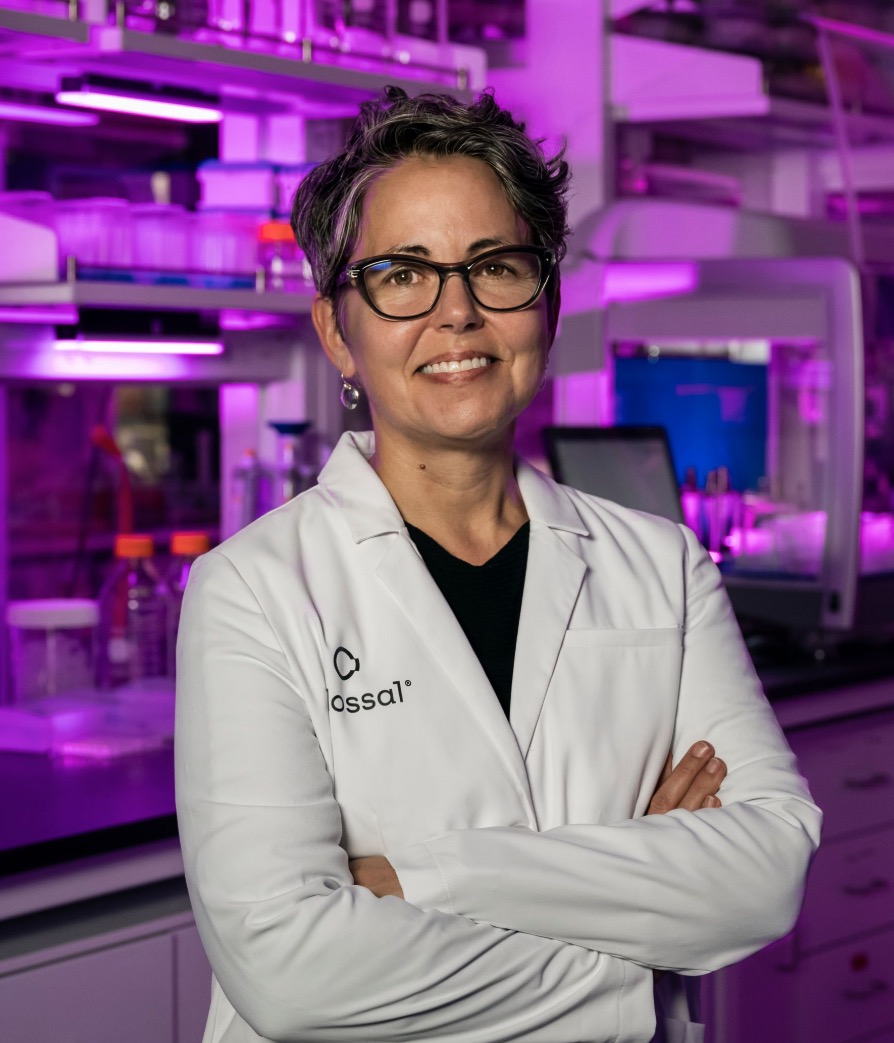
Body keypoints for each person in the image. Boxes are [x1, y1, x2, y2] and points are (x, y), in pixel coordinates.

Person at [175, 86, 821, 1043]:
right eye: (403, 274)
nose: (458, 313)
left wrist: (428, 878)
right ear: (337, 330)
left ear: (547, 305)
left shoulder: (662, 566)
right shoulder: (253, 589)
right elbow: (290, 971)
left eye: (497, 267)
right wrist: (635, 947)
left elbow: (765, 876)